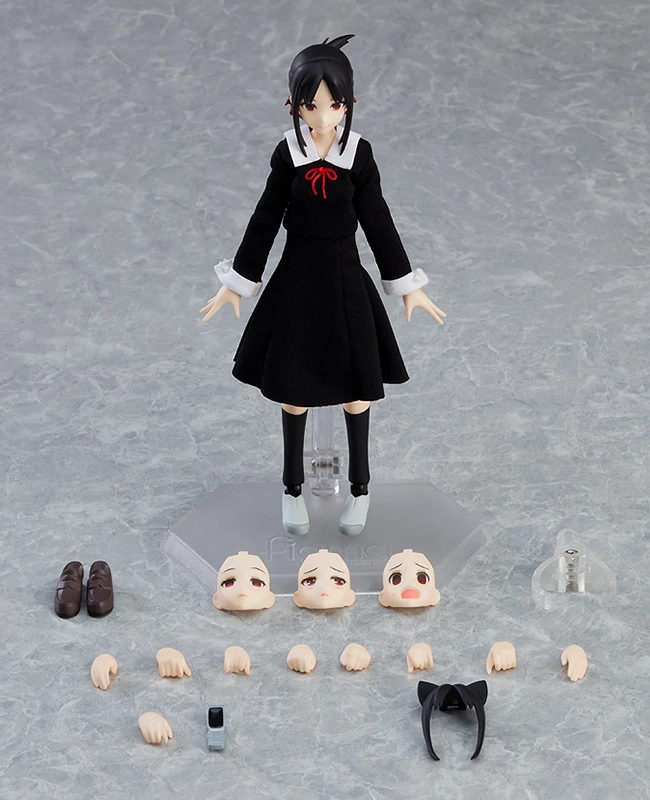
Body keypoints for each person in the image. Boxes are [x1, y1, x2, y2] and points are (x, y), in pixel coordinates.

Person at [201, 34, 445, 536]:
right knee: (294, 394)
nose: (323, 114)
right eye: (311, 105)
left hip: (346, 283)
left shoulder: (358, 156)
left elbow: (378, 221)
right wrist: (238, 282)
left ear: (348, 103)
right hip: (296, 283)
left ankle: (361, 489)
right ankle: (292, 488)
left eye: (333, 104)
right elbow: (265, 219)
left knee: (357, 395)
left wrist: (406, 284)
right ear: (294, 105)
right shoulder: (287, 156)